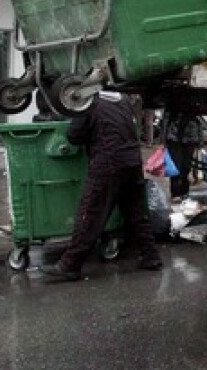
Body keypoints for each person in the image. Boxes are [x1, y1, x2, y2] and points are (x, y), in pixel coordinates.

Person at [41, 88, 163, 281]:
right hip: (132, 159)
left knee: (90, 213)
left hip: (109, 162)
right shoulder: (122, 99)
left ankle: (70, 265)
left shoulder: (89, 101)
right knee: (137, 212)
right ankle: (150, 256)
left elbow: (74, 135)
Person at [164, 111, 204, 201]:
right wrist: (163, 139)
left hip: (190, 138)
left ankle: (184, 192)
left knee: (186, 168)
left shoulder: (195, 102)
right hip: (174, 138)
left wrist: (200, 142)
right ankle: (175, 193)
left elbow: (200, 120)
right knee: (175, 167)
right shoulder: (173, 103)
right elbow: (166, 118)